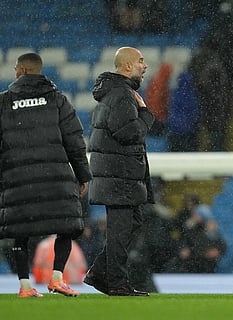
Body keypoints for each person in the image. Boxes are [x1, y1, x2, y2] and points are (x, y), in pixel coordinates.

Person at [0, 52, 92, 298]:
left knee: (20, 231)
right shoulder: (57, 100)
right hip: (56, 178)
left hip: (17, 179)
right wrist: (83, 174)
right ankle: (57, 279)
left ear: (21, 70)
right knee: (67, 226)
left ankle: (25, 286)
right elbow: (74, 141)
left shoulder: (4, 102)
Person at [84, 47, 154, 296]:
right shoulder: (122, 94)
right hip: (120, 175)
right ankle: (116, 283)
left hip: (117, 174)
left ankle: (100, 273)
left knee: (130, 223)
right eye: (140, 62)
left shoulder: (112, 92)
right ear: (126, 66)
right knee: (122, 228)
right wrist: (146, 114)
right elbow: (129, 133)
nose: (144, 66)